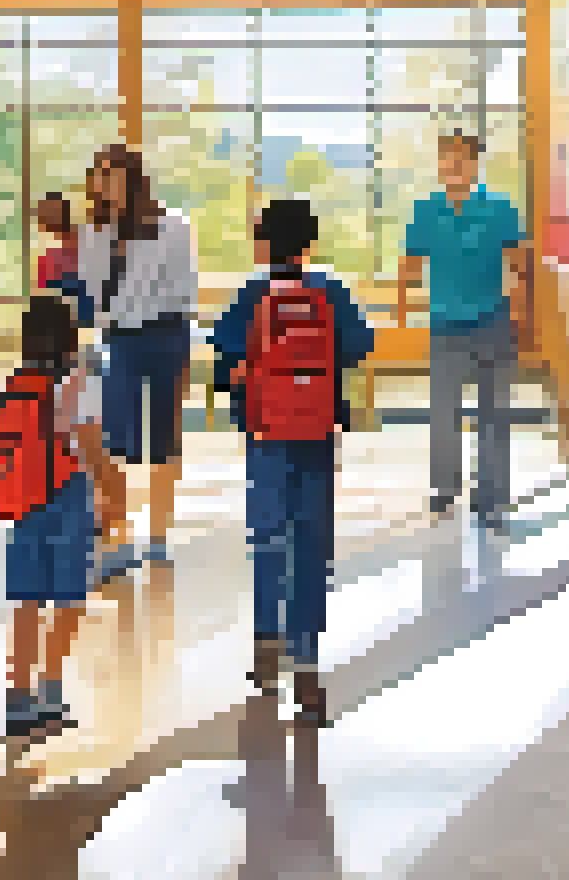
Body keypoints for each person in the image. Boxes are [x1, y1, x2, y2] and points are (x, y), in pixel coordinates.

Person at [209, 200, 375, 726]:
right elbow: (359, 346)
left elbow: (225, 360)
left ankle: (266, 643)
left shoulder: (252, 294)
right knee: (311, 544)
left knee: (269, 537)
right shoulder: (330, 289)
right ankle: (306, 661)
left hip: (265, 435)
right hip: (317, 433)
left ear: (263, 244)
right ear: (310, 243)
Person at [0, 295, 115, 737]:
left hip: (23, 503)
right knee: (69, 599)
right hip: (68, 497)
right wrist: (112, 490)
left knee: (27, 600)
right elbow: (90, 446)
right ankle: (52, 689)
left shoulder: (18, 382)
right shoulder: (79, 384)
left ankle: (19, 696)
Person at [397, 132, 531, 529]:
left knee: (494, 411)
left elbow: (520, 268)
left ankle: (492, 493)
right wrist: (401, 313)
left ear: (474, 166)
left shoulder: (501, 209)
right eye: (445, 161)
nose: (451, 168)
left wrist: (521, 318)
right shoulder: (426, 210)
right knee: (443, 411)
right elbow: (410, 264)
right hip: (444, 325)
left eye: (459, 161)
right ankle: (444, 486)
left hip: (492, 321)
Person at [80, 144, 199, 574]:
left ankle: (159, 535)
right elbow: (93, 295)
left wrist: (138, 301)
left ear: (132, 179)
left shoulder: (173, 226)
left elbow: (186, 291)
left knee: (164, 438)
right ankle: (120, 532)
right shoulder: (94, 232)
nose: (103, 185)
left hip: (166, 335)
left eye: (111, 175)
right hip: (117, 339)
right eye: (98, 177)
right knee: (115, 438)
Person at [35, 191, 94, 326]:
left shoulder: (88, 240)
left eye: (55, 211)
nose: (52, 217)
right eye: (46, 213)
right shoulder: (48, 258)